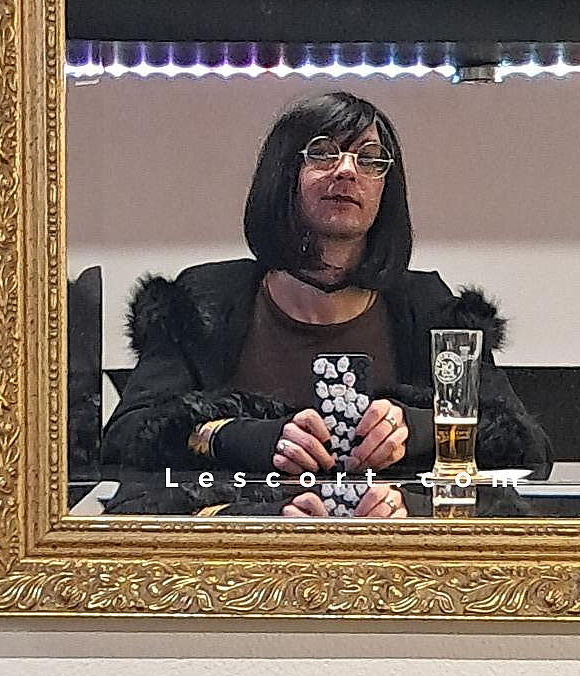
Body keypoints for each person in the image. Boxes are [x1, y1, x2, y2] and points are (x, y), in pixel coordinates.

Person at [101, 90, 553, 518]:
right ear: (283, 176)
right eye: (322, 153)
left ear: (385, 191)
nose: (347, 171)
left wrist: (414, 431)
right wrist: (246, 439)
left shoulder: (429, 307)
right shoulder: (205, 302)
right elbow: (124, 442)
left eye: (370, 159)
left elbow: (526, 449)